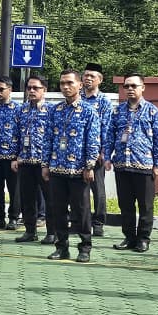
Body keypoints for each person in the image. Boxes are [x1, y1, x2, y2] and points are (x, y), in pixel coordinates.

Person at [104, 74, 158, 253]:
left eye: (134, 86)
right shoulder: (117, 111)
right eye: (126, 86)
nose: (130, 89)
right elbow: (110, 135)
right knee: (125, 204)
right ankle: (129, 237)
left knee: (146, 205)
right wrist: (107, 157)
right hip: (122, 164)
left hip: (144, 165)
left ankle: (143, 238)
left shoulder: (152, 111)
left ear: (142, 88)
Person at [47, 70, 101, 263]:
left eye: (70, 83)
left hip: (79, 170)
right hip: (57, 167)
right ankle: (61, 247)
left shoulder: (88, 111)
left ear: (80, 85)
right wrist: (46, 164)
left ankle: (85, 247)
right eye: (62, 83)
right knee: (58, 210)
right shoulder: (55, 110)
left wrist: (89, 166)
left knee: (82, 210)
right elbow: (48, 139)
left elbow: (93, 140)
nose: (65, 87)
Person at [13, 75, 52, 245]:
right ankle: (30, 231)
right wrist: (15, 157)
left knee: (50, 199)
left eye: (36, 88)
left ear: (44, 90)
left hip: (44, 163)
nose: (32, 91)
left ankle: (52, 232)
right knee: (27, 199)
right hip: (26, 162)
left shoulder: (51, 110)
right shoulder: (21, 110)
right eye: (29, 88)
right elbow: (16, 135)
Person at [81, 64, 113, 237]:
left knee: (98, 189)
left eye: (92, 76)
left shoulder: (103, 101)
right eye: (85, 75)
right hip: (76, 152)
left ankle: (98, 223)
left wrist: (103, 152)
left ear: (100, 80)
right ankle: (81, 221)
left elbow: (107, 128)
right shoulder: (77, 98)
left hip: (96, 152)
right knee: (80, 190)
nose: (88, 78)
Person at [0, 78, 21, 230]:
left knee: (14, 190)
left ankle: (14, 217)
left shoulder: (18, 109)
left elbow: (23, 133)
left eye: (1, 89)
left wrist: (18, 156)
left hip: (12, 157)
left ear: (10, 90)